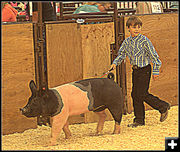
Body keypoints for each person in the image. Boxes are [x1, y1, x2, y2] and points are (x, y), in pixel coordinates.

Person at [110, 16, 170, 127]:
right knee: (135, 94)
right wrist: (115, 63)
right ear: (128, 28)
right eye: (134, 27)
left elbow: (154, 56)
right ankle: (139, 120)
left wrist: (156, 71)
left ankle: (163, 106)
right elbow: (122, 54)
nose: (137, 29)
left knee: (142, 93)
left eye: (139, 27)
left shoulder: (145, 41)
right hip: (136, 71)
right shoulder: (127, 42)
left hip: (145, 70)